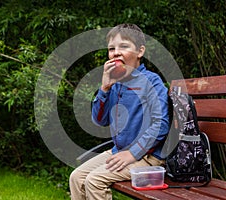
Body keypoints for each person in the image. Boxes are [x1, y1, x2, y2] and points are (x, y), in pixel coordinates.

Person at [69, 23, 170, 200]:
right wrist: (105, 88)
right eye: (111, 48)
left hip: (148, 156)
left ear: (140, 52)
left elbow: (161, 124)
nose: (116, 52)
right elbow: (99, 120)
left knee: (94, 181)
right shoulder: (116, 84)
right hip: (120, 151)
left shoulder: (152, 81)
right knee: (76, 178)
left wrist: (132, 153)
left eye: (124, 46)